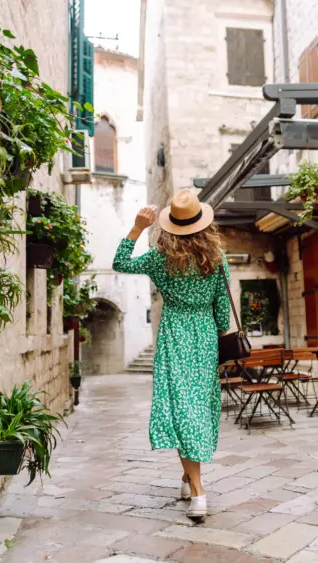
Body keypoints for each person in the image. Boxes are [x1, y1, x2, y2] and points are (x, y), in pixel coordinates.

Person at [112, 189, 231, 522]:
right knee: (197, 408)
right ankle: (189, 478)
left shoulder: (158, 258)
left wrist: (137, 227)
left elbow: (120, 262)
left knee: (181, 408)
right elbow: (223, 310)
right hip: (205, 337)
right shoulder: (217, 258)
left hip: (175, 335)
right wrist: (219, 336)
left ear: (170, 226)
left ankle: (198, 491)